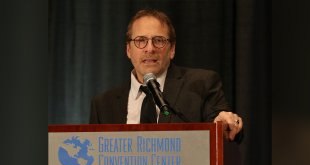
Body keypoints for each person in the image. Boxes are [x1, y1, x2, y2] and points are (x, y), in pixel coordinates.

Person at [90, 9, 243, 143]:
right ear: (128, 50)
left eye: (159, 40)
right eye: (140, 40)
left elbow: (225, 131)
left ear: (172, 50)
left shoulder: (200, 85)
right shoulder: (103, 105)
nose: (150, 49)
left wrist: (226, 125)